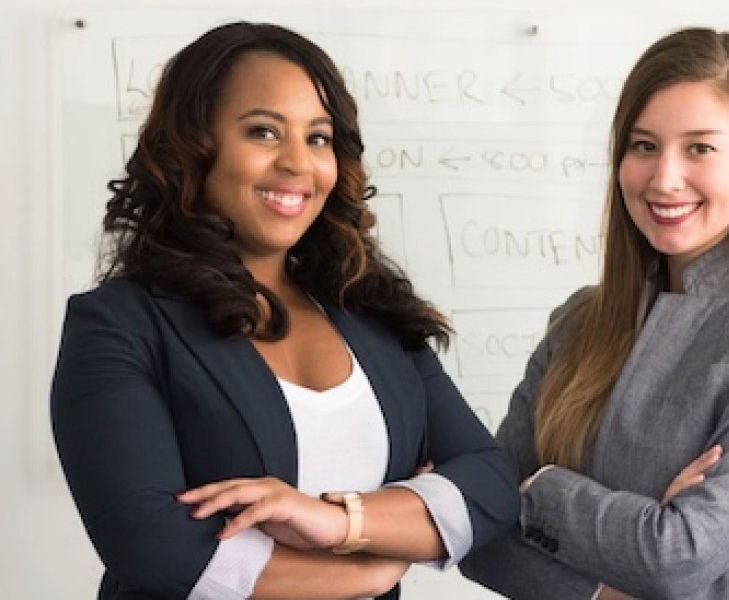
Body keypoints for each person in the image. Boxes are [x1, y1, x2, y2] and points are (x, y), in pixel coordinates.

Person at [50, 21, 520, 600]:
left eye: (319, 138)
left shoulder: (373, 318)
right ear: (195, 148)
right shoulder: (121, 324)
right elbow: (153, 548)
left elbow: (490, 484)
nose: (299, 163)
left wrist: (339, 520)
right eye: (264, 132)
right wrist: (368, 569)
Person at [459, 27, 729, 600]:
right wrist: (600, 591)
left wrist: (540, 487)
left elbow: (678, 554)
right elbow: (478, 529)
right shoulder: (577, 321)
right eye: (643, 146)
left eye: (700, 148)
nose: (664, 179)